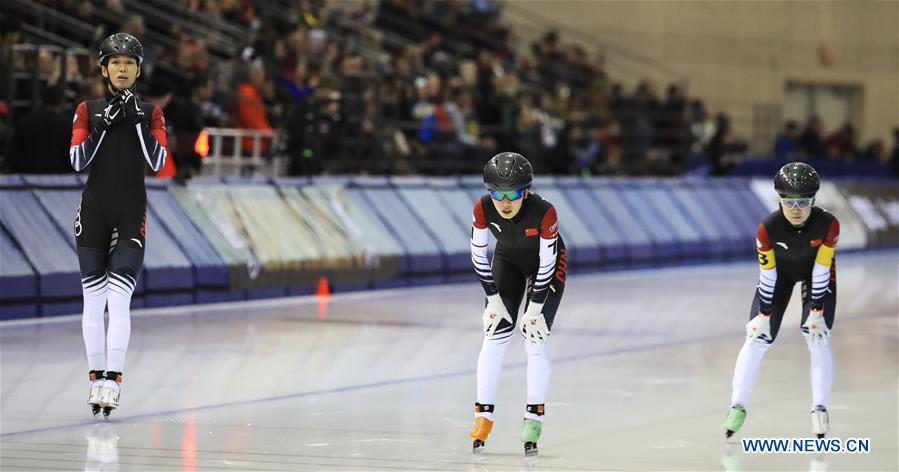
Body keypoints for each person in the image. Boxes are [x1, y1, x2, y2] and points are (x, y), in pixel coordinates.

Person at [69, 32, 167, 417]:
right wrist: (104, 125)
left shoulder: (152, 112)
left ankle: (114, 381)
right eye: (116, 62)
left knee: (119, 299)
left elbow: (157, 163)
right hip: (93, 211)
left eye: (129, 63)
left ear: (138, 70)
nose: (122, 68)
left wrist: (138, 121)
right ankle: (96, 379)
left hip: (130, 212)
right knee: (93, 300)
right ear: (104, 69)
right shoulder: (87, 110)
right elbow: (77, 161)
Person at [724, 162, 839, 439]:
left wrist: (816, 310)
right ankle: (737, 406)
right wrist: (763, 315)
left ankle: (819, 410)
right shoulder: (767, 228)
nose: (796, 209)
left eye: (804, 201)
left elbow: (822, 269)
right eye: (789, 202)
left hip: (816, 275)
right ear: (779, 199)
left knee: (817, 334)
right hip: (780, 276)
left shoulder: (828, 224)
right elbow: (768, 275)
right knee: (755, 337)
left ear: (813, 200)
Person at [468, 152, 569, 456]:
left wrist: (536, 308)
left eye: (512, 193)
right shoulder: (483, 207)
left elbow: (549, 263)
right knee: (494, 333)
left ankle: (533, 419)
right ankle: (483, 416)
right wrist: (493, 299)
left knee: (534, 338)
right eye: (497, 193)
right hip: (508, 261)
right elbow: (478, 255)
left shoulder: (545, 212)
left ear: (525, 192)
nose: (504, 201)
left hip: (545, 266)